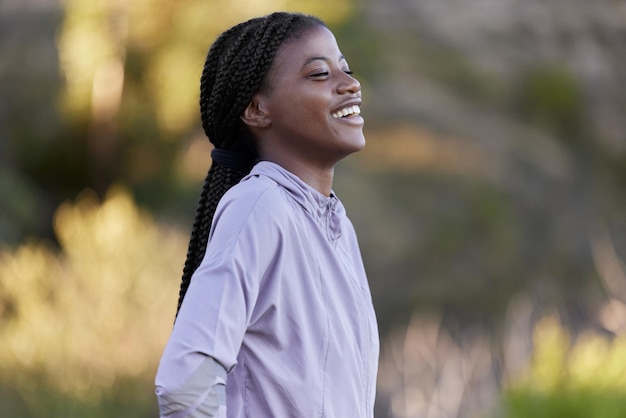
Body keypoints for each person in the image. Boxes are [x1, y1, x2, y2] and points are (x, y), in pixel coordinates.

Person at [155, 11, 379, 418]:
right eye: (319, 74)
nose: (350, 85)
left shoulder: (338, 227)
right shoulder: (260, 206)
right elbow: (185, 384)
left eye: (345, 69)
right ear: (257, 109)